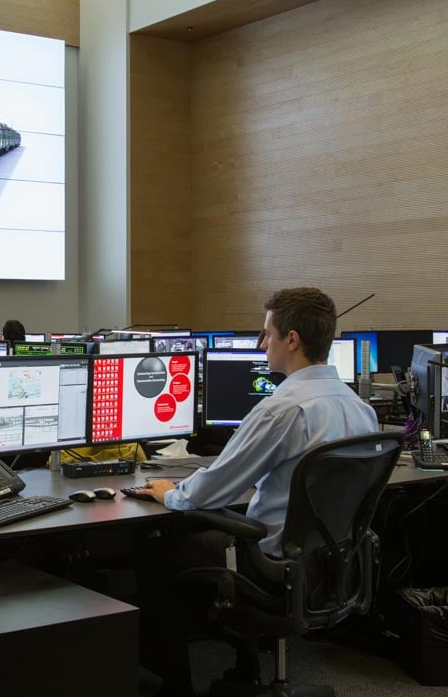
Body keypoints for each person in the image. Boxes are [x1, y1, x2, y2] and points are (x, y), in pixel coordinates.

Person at [136, 286, 379, 694]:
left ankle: (172, 684)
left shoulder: (281, 409)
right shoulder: (361, 409)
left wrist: (168, 492)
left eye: (267, 333)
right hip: (332, 563)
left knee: (155, 544)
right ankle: (243, 667)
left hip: (270, 562)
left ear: (292, 340)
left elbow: (212, 488)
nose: (262, 344)